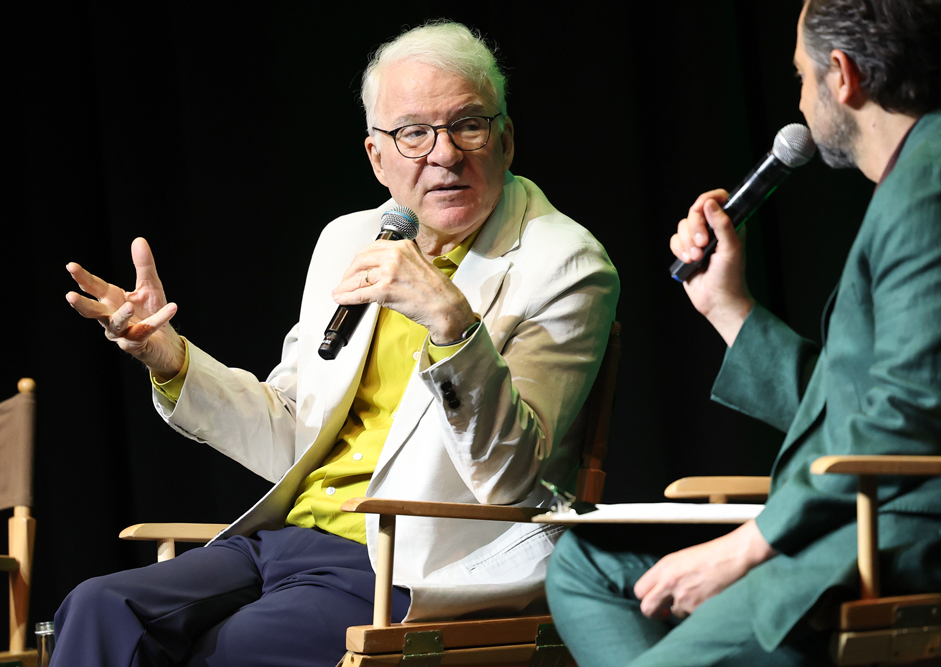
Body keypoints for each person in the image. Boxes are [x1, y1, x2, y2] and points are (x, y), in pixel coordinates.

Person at [56, 20, 619, 667]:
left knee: (225, 650)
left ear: (506, 139)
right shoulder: (348, 240)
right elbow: (292, 428)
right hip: (290, 536)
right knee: (96, 606)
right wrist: (171, 359)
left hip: (409, 564)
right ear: (377, 157)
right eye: (413, 133)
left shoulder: (567, 262)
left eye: (467, 124)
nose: (443, 153)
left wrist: (454, 326)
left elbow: (515, 480)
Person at [546, 1, 941, 665]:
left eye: (800, 77)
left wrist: (747, 545)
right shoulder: (934, 170)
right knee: (587, 563)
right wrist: (727, 307)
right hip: (869, 514)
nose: (801, 101)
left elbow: (912, 418)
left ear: (841, 75)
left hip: (915, 535)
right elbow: (865, 403)